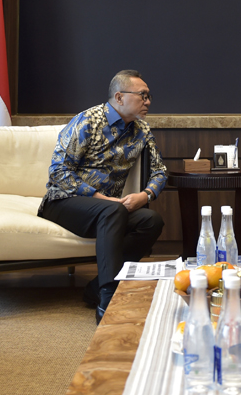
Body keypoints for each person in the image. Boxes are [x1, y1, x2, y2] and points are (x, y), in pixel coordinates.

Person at [38, 70, 167, 323]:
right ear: (119, 97)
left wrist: (145, 195)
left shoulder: (141, 129)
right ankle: (108, 301)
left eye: (149, 96)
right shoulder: (87, 121)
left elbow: (160, 171)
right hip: (62, 202)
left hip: (108, 211)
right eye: (143, 95)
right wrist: (100, 198)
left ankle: (96, 288)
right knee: (113, 210)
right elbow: (58, 171)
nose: (148, 102)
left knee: (152, 220)